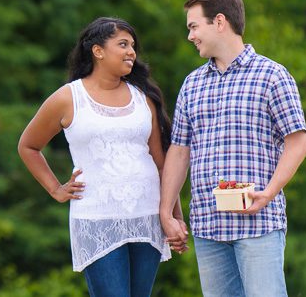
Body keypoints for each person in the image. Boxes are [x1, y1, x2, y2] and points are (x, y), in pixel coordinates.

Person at [18, 17, 185, 297]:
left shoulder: (144, 98)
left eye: (133, 46)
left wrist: (174, 217)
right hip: (97, 219)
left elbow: (161, 164)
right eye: (123, 44)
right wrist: (55, 189)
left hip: (147, 217)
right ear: (98, 50)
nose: (132, 51)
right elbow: (28, 146)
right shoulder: (68, 98)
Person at [159, 0, 306, 297]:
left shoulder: (273, 76)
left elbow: (298, 143)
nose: (190, 36)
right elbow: (179, 151)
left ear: (220, 22)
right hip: (208, 227)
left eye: (194, 26)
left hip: (259, 225)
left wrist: (268, 194)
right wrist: (166, 211)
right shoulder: (192, 85)